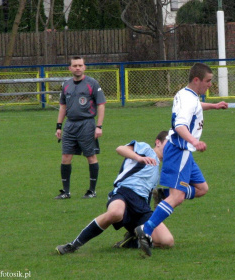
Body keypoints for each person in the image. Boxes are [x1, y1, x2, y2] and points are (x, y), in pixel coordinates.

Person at [135, 63, 228, 257]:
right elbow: (180, 126)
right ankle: (146, 229)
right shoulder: (188, 99)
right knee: (177, 197)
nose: (210, 84)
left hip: (183, 151)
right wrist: (195, 140)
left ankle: (164, 195)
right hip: (180, 150)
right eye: (208, 81)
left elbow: (195, 108)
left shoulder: (187, 95)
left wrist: (214, 105)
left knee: (202, 188)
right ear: (197, 80)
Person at [56, 131, 174, 254]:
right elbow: (120, 149)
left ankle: (132, 240)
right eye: (168, 143)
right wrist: (138, 157)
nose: (171, 147)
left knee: (167, 241)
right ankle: (73, 245)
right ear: (158, 142)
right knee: (115, 213)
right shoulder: (146, 149)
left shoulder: (160, 167)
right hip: (124, 193)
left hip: (142, 206)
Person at [55, 56, 106, 199]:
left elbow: (101, 105)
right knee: (65, 157)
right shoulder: (66, 85)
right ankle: (66, 192)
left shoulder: (92, 83)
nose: (77, 68)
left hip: (87, 124)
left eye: (80, 65)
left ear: (85, 67)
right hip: (70, 125)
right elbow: (62, 106)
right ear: (69, 68)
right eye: (75, 65)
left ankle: (92, 191)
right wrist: (59, 126)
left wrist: (99, 126)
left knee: (90, 156)